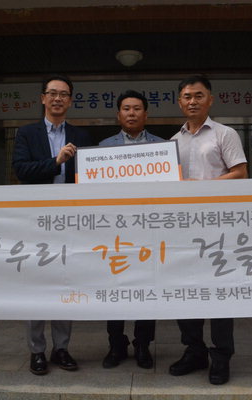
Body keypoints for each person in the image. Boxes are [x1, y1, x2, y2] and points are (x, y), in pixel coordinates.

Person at [168, 75, 247, 385]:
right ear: (179, 102)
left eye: (199, 96)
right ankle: (195, 350)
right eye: (187, 96)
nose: (193, 101)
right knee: (185, 290)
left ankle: (221, 356)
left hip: (218, 227)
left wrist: (200, 188)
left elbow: (240, 174)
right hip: (182, 228)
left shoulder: (225, 134)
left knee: (219, 291)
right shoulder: (172, 142)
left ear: (210, 100)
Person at [12, 74, 92, 375]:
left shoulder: (81, 136)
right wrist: (55, 162)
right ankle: (36, 351)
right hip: (36, 220)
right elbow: (21, 170)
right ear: (43, 98)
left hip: (70, 221)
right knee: (36, 284)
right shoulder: (26, 133)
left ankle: (61, 348)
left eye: (64, 94)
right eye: (53, 93)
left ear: (70, 101)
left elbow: (90, 177)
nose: (58, 98)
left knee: (64, 282)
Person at [98, 90, 163, 369]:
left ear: (146, 114)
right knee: (115, 289)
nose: (132, 113)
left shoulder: (162, 147)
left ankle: (143, 344)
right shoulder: (103, 147)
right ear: (118, 115)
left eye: (137, 108)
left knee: (147, 289)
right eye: (126, 108)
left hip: (149, 231)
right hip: (115, 231)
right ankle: (116, 344)